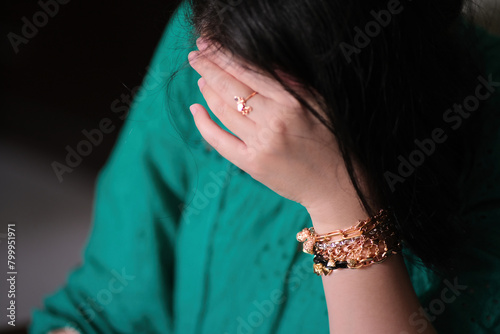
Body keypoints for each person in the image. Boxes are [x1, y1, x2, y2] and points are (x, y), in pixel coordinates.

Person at [31, 0, 500, 333]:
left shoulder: (481, 126)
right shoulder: (210, 31)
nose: (219, 72)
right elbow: (107, 302)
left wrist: (341, 203)